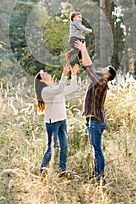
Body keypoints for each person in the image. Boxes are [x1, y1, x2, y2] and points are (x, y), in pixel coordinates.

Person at [74, 40, 116, 184]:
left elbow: (88, 68)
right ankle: (97, 175)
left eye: (105, 69)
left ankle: (100, 178)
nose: (102, 68)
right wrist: (82, 50)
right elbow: (89, 66)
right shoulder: (99, 80)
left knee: (97, 150)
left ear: (107, 76)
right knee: (95, 149)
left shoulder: (101, 83)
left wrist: (83, 48)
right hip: (94, 120)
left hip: (96, 121)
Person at [34, 63, 80, 178]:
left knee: (64, 146)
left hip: (62, 120)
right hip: (52, 122)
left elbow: (72, 88)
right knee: (51, 147)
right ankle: (43, 169)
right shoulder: (45, 91)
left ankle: (62, 170)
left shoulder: (54, 88)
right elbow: (60, 89)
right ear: (42, 80)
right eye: (43, 73)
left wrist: (73, 75)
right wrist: (64, 74)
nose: (46, 73)